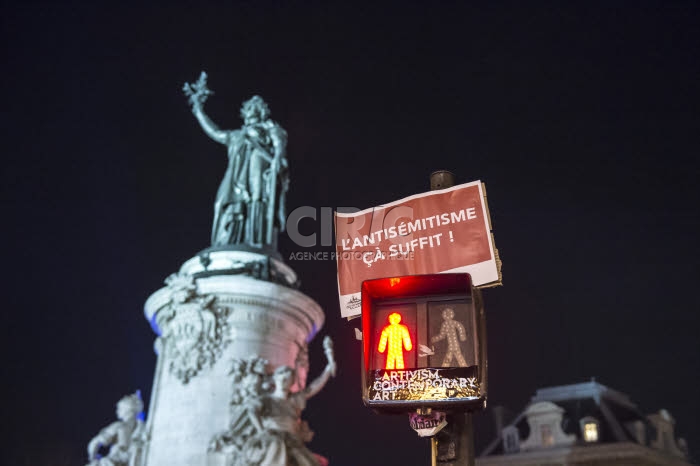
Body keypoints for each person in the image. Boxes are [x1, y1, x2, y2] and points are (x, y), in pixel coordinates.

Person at [184, 72, 289, 247]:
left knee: (256, 202)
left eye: (255, 106)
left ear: (261, 111)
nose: (251, 109)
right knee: (221, 203)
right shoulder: (236, 135)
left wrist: (277, 159)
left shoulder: (268, 127)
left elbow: (279, 144)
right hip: (235, 178)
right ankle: (224, 243)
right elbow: (215, 132)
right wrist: (199, 111)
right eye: (248, 106)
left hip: (259, 169)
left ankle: (255, 240)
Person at [86, 393, 145, 466]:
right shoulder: (141, 427)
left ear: (127, 410)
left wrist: (92, 458)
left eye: (119, 409)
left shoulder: (119, 426)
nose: (117, 412)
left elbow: (94, 443)